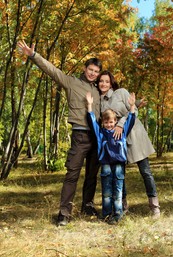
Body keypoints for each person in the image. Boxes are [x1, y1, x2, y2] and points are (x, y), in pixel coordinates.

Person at [17, 40, 102, 226]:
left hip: (97, 137)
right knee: (72, 174)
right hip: (80, 136)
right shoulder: (71, 82)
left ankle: (88, 206)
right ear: (85, 68)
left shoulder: (99, 91)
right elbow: (53, 71)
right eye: (91, 70)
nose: (93, 74)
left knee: (91, 175)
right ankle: (64, 213)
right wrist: (33, 55)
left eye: (96, 72)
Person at [97, 70, 160, 218]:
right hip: (116, 142)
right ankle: (122, 206)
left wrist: (120, 124)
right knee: (120, 174)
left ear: (111, 82)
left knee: (145, 171)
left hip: (134, 135)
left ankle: (154, 205)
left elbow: (134, 110)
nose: (104, 84)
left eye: (106, 81)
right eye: (101, 81)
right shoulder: (100, 101)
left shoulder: (121, 92)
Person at [86, 91, 136, 223]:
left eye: (111, 122)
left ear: (115, 122)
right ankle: (107, 213)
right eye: (106, 122)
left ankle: (118, 214)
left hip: (119, 164)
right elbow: (92, 122)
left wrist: (132, 106)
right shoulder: (101, 133)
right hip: (106, 164)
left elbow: (130, 120)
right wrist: (90, 106)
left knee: (118, 190)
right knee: (107, 191)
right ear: (103, 122)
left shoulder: (121, 132)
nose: (109, 125)